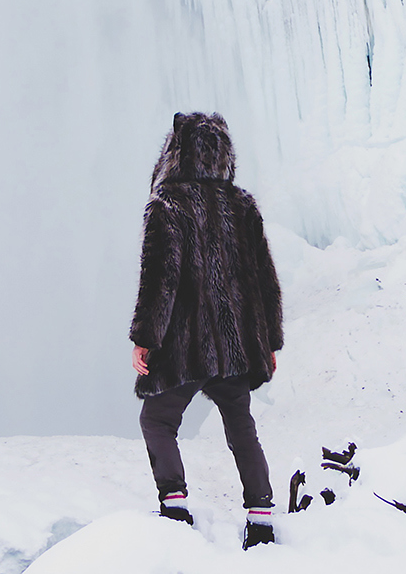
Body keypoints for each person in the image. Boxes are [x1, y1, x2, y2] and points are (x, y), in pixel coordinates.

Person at [129, 111, 284, 549]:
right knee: (241, 426)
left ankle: (175, 506)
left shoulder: (167, 205)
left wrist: (146, 337)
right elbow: (265, 279)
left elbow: (160, 278)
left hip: (187, 345)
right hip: (237, 346)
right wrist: (270, 342)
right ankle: (261, 519)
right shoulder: (243, 205)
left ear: (176, 154)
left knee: (157, 420)